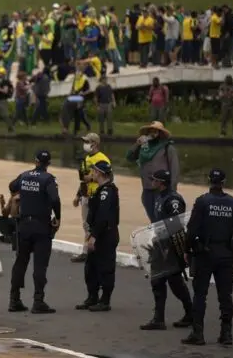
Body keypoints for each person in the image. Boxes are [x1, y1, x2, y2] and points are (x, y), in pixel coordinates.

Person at [182, 169, 233, 346]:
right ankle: (226, 334)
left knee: (200, 294)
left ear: (208, 180)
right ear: (224, 182)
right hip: (225, 254)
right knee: (225, 296)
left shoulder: (202, 202)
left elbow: (192, 230)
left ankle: (198, 333)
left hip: (205, 254)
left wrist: (187, 250)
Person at [7, 150, 60, 314]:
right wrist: (58, 216)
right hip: (41, 226)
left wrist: (20, 196)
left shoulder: (24, 175)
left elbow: (12, 186)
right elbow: (54, 199)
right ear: (48, 164)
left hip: (23, 225)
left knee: (20, 263)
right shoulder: (48, 179)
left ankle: (14, 300)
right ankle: (38, 301)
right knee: (40, 265)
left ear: (35, 161)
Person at [139, 170, 193, 331]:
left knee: (175, 282)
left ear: (161, 182)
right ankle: (159, 318)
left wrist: (170, 247)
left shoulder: (173, 200)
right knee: (157, 280)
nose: (152, 182)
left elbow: (175, 226)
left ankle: (190, 312)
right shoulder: (159, 196)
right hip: (159, 244)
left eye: (154, 180)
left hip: (169, 246)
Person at [76, 161, 119, 312]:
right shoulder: (99, 190)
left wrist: (93, 236)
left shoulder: (107, 191)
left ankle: (105, 300)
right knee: (91, 267)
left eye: (93, 171)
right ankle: (92, 296)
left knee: (106, 268)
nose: (91, 174)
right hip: (96, 233)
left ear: (99, 173)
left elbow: (103, 216)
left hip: (105, 235)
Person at [126, 121, 180, 222]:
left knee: (162, 220)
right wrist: (137, 144)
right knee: (153, 220)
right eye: (151, 131)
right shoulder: (144, 147)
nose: (152, 133)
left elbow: (175, 170)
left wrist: (172, 191)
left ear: (161, 133)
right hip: (147, 189)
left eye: (156, 131)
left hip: (162, 190)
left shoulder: (167, 148)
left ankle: (163, 237)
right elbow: (129, 157)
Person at [71, 133, 110, 263]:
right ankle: (87, 251)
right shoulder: (86, 158)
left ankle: (94, 251)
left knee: (97, 224)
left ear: (95, 143)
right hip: (86, 195)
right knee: (86, 225)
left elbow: (109, 178)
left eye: (88, 141)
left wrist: (92, 178)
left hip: (97, 196)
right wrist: (78, 195)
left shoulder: (102, 159)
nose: (85, 144)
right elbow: (83, 180)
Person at [218, 75, 233, 139]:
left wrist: (231, 94)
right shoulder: (222, 86)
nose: (228, 81)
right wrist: (224, 94)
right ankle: (222, 133)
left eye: (229, 80)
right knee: (223, 120)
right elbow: (220, 94)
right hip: (225, 105)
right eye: (227, 80)